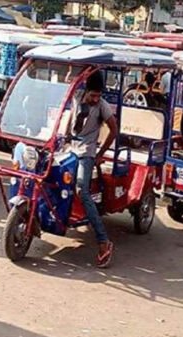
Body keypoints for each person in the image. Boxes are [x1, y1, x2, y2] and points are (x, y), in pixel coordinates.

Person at [68, 72, 117, 268]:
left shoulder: (103, 106)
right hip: (68, 147)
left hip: (86, 152)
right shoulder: (75, 96)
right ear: (86, 91)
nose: (96, 99)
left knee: (82, 190)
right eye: (93, 95)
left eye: (98, 95)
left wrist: (99, 154)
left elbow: (114, 130)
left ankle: (103, 242)